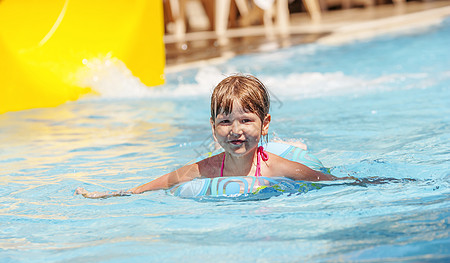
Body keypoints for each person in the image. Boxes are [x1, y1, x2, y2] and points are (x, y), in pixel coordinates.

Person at [76, 74, 343, 199]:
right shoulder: (210, 168)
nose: (235, 130)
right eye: (225, 122)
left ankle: (289, 145)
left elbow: (331, 181)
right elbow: (166, 181)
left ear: (265, 125)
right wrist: (119, 193)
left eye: (246, 121)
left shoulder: (278, 166)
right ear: (213, 127)